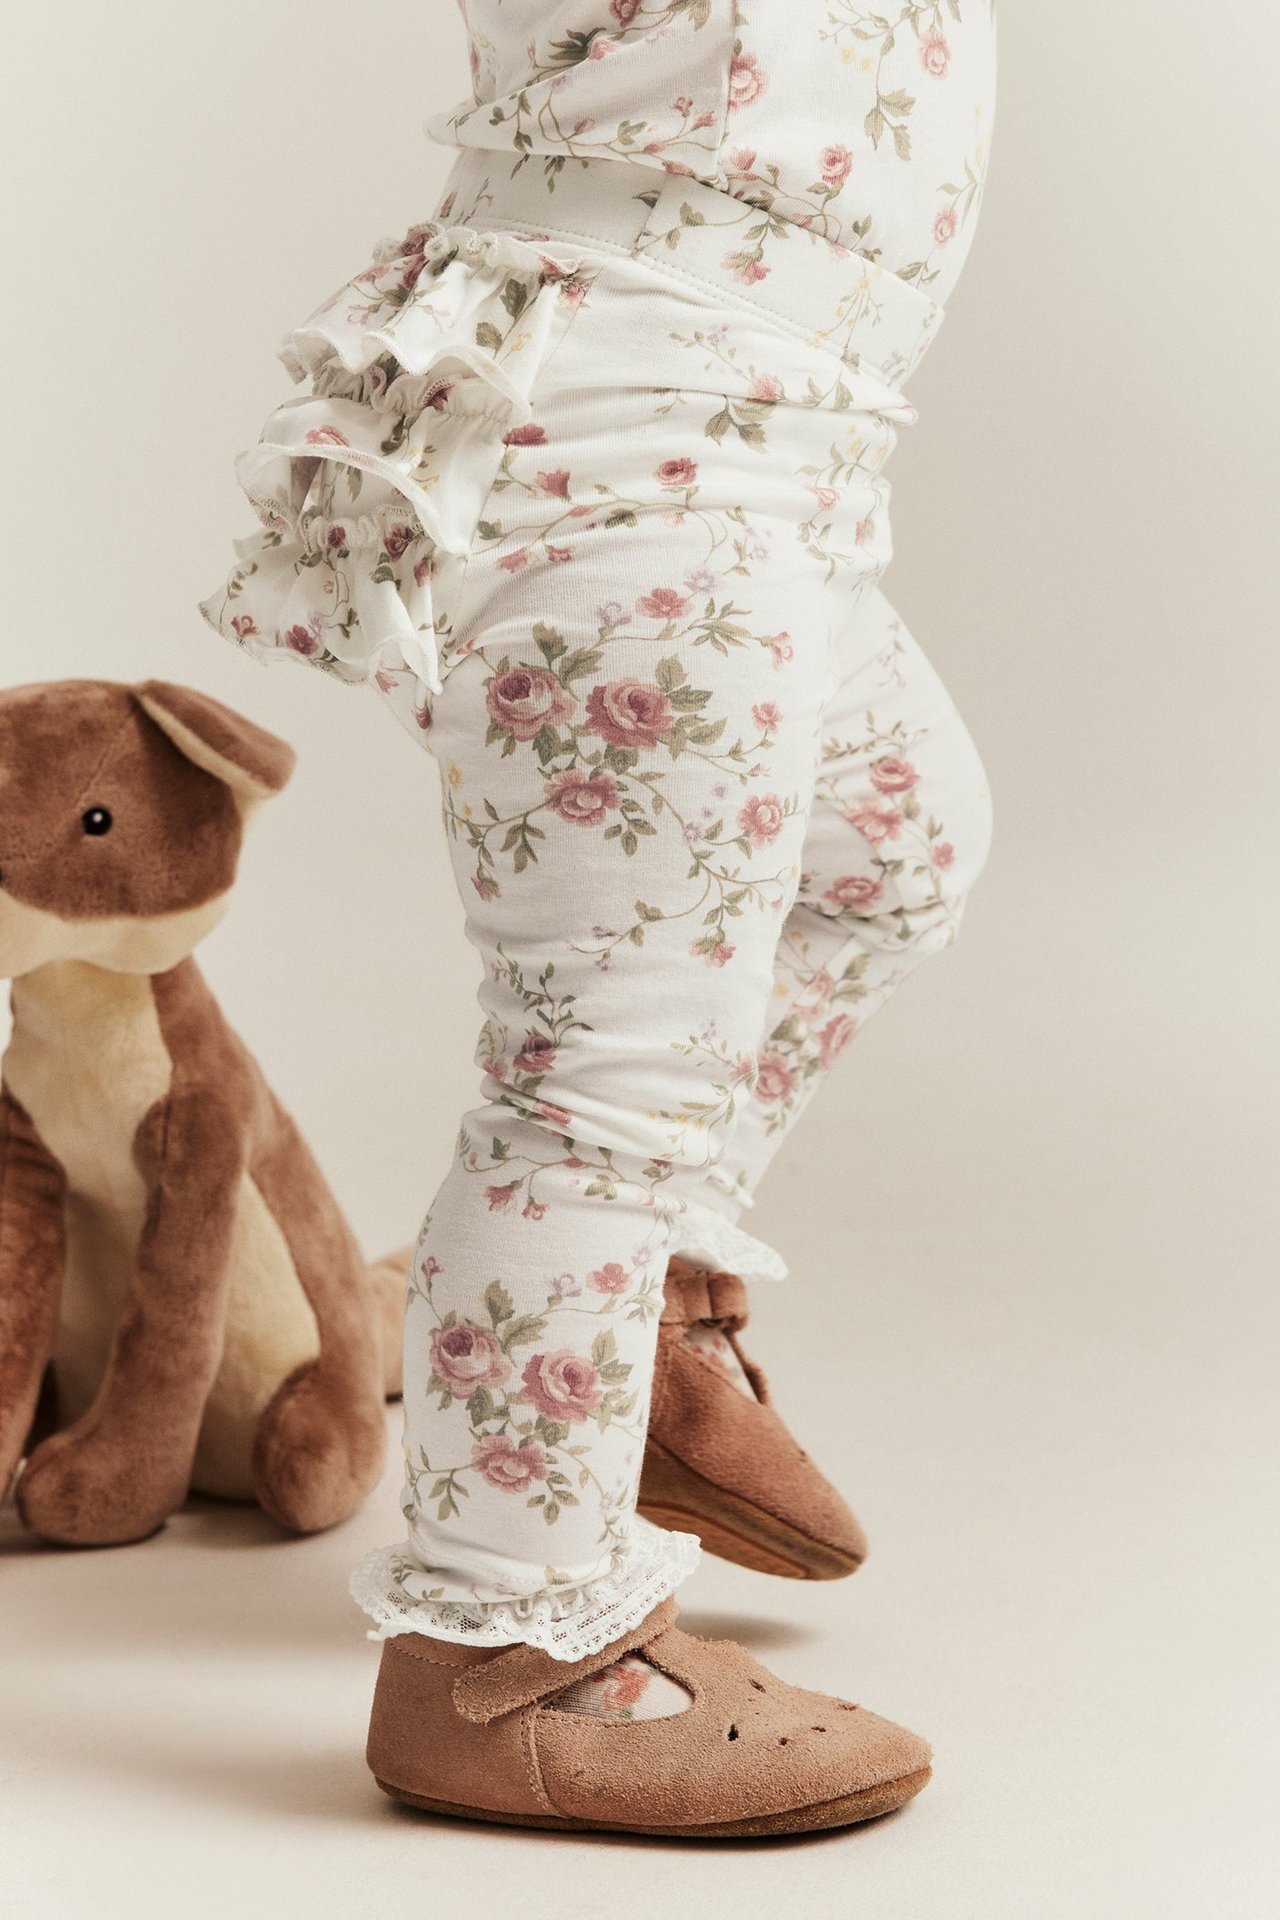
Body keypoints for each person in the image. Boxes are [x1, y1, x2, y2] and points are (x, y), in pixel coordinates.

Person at [203, 0, 997, 1839]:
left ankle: (616, 1341)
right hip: (638, 452)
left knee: (893, 847)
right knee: (604, 1073)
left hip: (785, 451)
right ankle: (512, 1648)